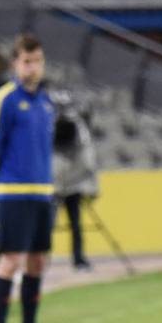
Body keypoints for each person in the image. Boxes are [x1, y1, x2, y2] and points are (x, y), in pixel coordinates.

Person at [0, 34, 64, 323]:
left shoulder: (45, 102)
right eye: (27, 62)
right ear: (15, 63)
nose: (33, 68)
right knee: (10, 260)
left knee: (38, 261)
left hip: (42, 193)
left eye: (37, 61)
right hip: (13, 193)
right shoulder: (5, 99)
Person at [53, 93, 100, 271]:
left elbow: (88, 159)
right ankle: (40, 259)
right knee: (48, 225)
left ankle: (79, 258)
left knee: (75, 225)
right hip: (56, 183)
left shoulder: (78, 129)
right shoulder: (49, 126)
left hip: (72, 184)